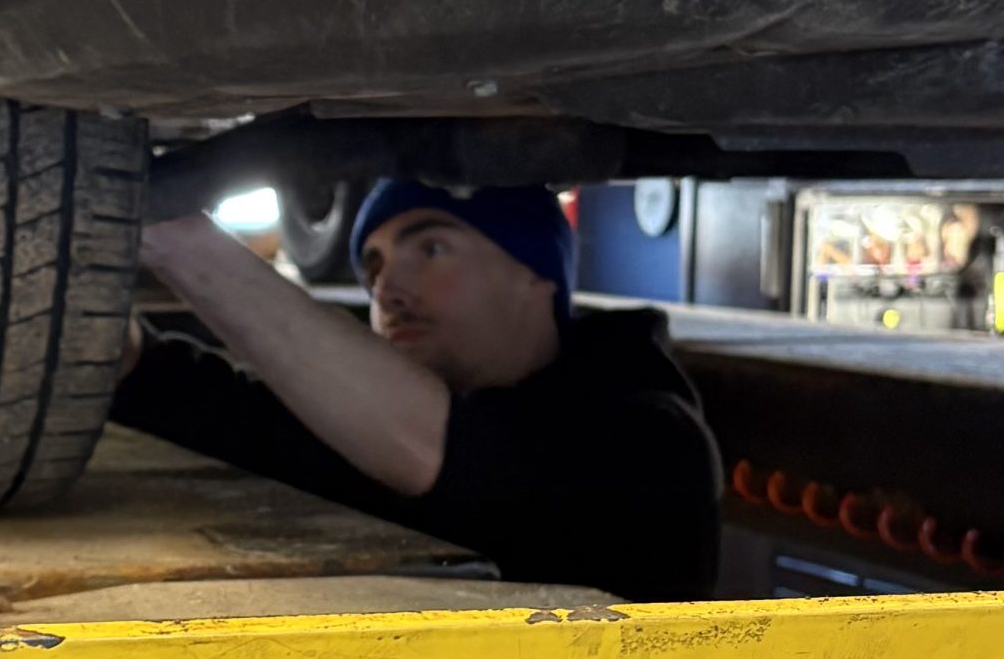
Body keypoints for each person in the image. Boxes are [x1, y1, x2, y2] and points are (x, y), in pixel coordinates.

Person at [111, 181, 722, 600]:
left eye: (430, 249)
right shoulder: (393, 426)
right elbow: (238, 418)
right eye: (374, 266)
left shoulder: (649, 437)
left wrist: (176, 235)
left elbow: (462, 459)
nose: (387, 289)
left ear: (538, 274)